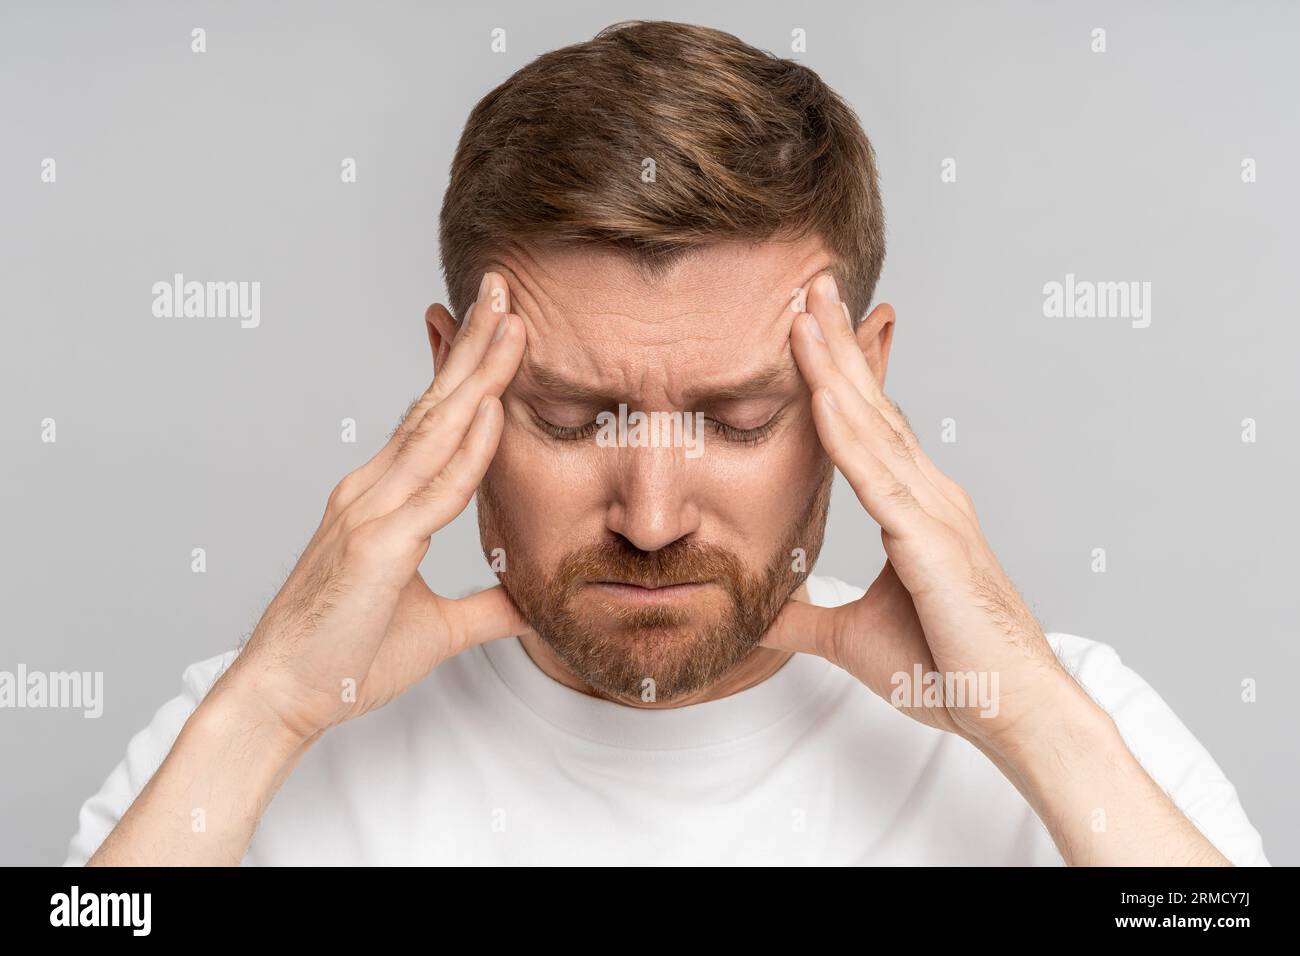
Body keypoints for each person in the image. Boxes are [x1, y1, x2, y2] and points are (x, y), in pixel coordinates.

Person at [64, 20, 1267, 866]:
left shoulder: (1072, 724)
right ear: (453, 381)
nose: (650, 515)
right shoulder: (245, 740)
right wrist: (268, 708)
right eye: (572, 417)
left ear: (862, 383)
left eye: (736, 420)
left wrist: (1025, 718)